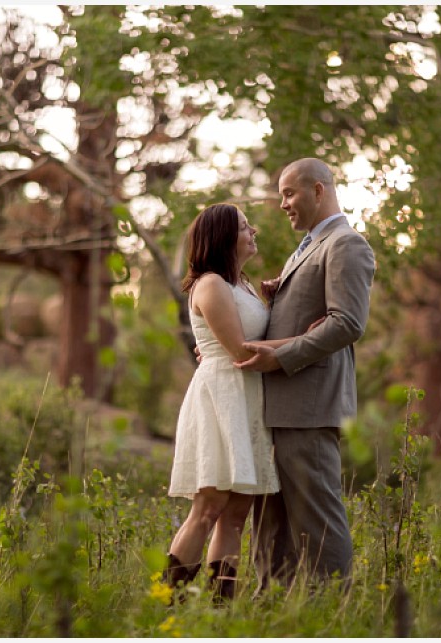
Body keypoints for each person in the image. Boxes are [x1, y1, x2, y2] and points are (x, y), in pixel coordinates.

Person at [234, 158, 376, 587]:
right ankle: (274, 611)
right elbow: (309, 313)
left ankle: (333, 612)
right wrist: (276, 300)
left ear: (318, 191)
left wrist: (281, 356)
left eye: (290, 193)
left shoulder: (347, 244)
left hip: (310, 406)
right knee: (270, 525)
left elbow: (347, 323)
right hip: (279, 406)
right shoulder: (311, 245)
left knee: (318, 519)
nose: (282, 205)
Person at [164, 202, 284, 603]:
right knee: (208, 509)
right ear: (222, 237)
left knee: (236, 515)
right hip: (221, 398)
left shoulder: (241, 285)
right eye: (245, 227)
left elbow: (243, 331)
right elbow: (239, 350)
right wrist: (307, 339)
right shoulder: (211, 283)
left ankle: (219, 611)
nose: (254, 233)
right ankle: (167, 605)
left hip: (248, 400)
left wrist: (269, 299)